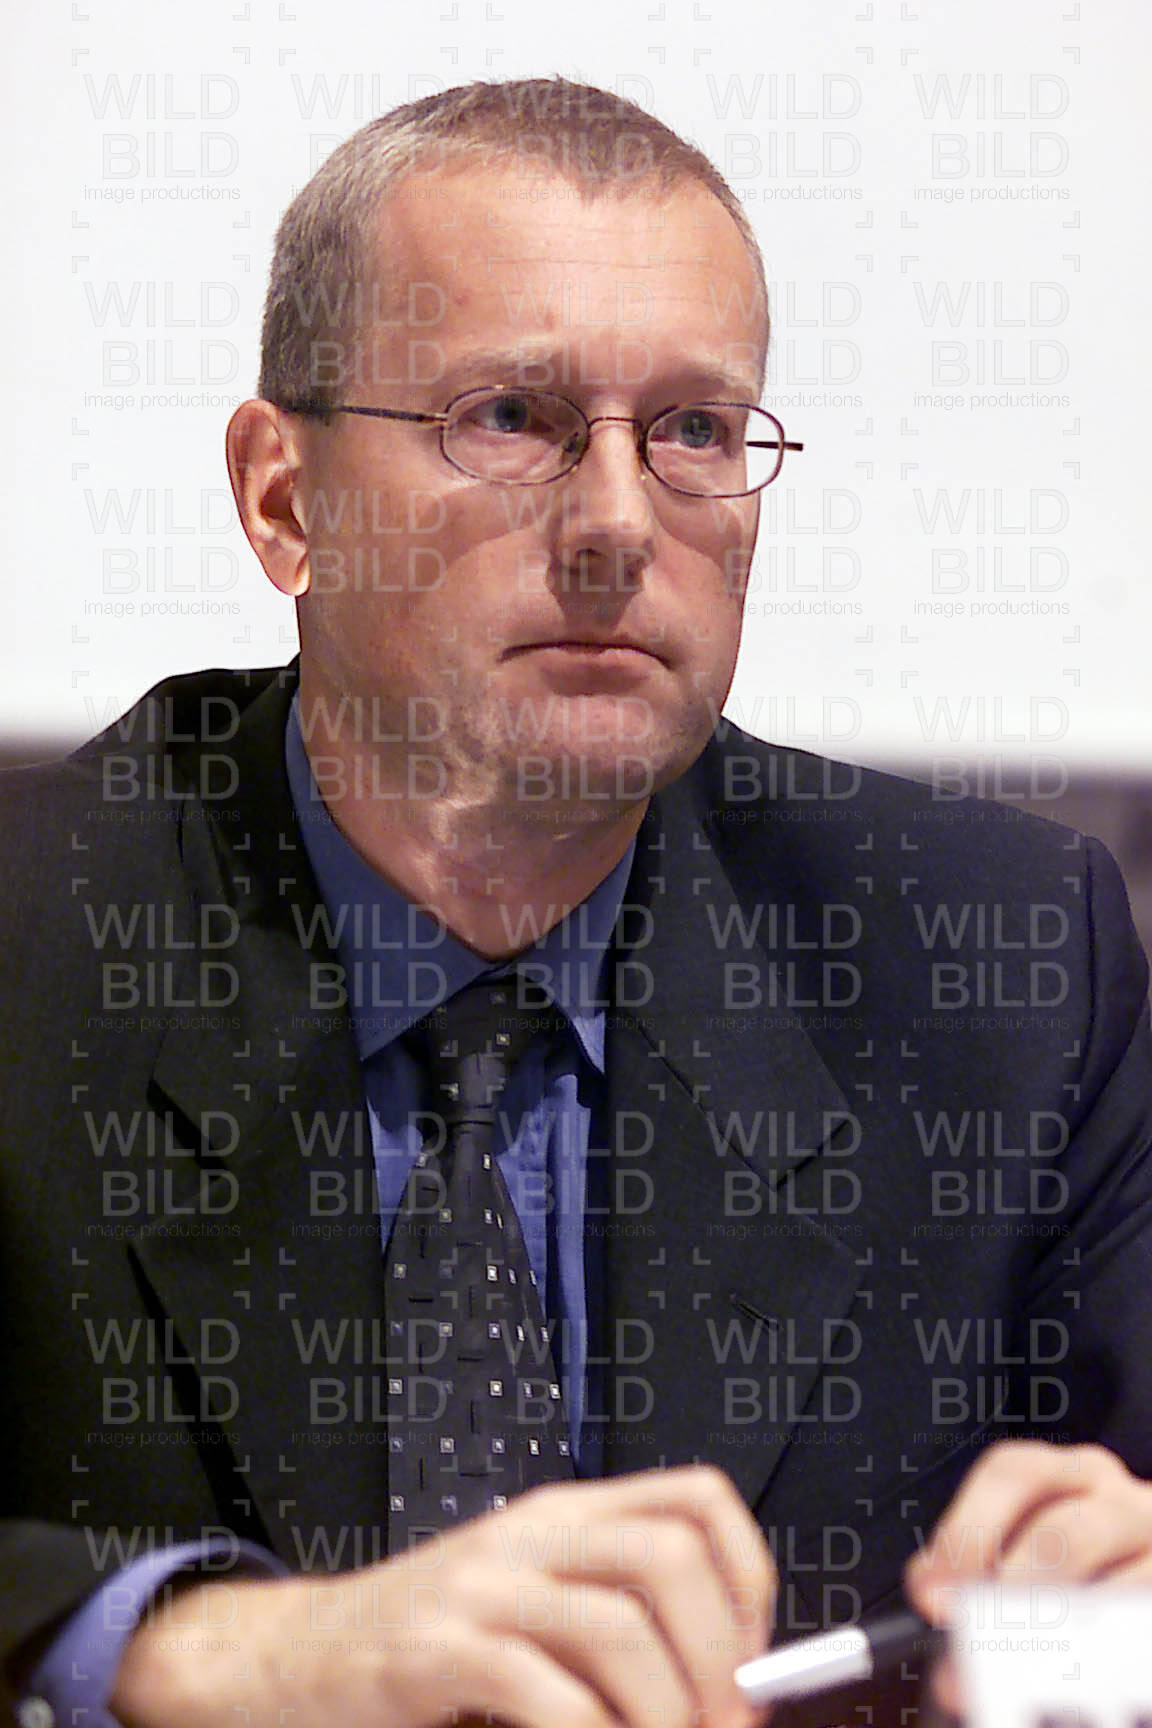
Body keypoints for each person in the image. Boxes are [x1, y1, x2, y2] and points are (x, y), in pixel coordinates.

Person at [5, 76, 1152, 1728]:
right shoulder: (38, 938)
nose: (618, 523)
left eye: (692, 431)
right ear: (283, 498)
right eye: (509, 417)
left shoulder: (999, 973)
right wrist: (207, 1656)